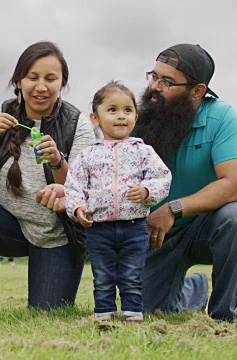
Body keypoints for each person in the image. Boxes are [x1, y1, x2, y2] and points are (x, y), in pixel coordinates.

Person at [0, 41, 96, 321]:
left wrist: (58, 162)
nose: (41, 86)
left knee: (48, 315)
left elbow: (83, 191)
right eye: (33, 77)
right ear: (18, 80)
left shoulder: (76, 123)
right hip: (4, 224)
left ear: (62, 82)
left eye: (51, 78)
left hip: (55, 233)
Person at [129, 43, 237, 322]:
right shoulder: (138, 118)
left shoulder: (223, 117)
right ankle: (194, 289)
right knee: (149, 312)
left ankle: (223, 314)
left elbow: (236, 185)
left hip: (203, 225)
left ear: (197, 91)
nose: (154, 87)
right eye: (153, 76)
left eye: (167, 82)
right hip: (155, 234)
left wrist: (174, 208)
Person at [64, 81, 172, 323]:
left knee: (132, 274)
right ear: (95, 117)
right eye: (112, 110)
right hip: (99, 228)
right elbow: (74, 186)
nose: (120, 116)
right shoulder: (88, 154)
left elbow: (162, 177)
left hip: (134, 227)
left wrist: (146, 191)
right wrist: (78, 208)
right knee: (102, 274)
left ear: (135, 116)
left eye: (127, 110)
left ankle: (133, 313)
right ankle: (104, 312)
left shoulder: (143, 151)